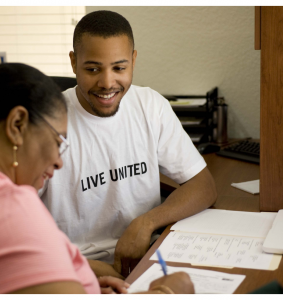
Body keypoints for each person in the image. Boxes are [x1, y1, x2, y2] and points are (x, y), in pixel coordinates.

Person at [0, 63, 193, 294]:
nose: (59, 161)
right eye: (59, 141)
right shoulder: (3, 208)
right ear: (17, 124)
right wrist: (165, 293)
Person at [39, 10, 217, 277]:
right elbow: (12, 228)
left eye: (119, 68)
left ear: (133, 60)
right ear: (74, 62)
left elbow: (204, 186)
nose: (107, 83)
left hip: (146, 258)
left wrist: (147, 223)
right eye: (92, 69)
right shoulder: (45, 122)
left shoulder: (150, 106)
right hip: (72, 269)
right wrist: (87, 268)